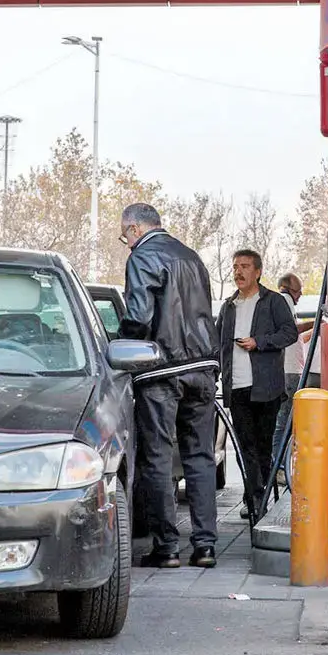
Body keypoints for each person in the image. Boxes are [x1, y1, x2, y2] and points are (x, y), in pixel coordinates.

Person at [119, 202, 221, 570]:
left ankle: (167, 548)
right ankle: (206, 546)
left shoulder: (142, 257)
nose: (126, 243)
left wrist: (122, 343)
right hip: (203, 368)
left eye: (124, 235)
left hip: (161, 370)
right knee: (200, 457)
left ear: (134, 229)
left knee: (157, 457)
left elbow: (138, 316)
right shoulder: (193, 258)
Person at [215, 250, 298, 521]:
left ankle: (259, 494)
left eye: (245, 267)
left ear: (258, 271)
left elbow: (289, 333)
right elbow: (217, 343)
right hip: (236, 388)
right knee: (243, 446)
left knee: (262, 446)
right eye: (236, 266)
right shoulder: (228, 306)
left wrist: (258, 342)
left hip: (266, 387)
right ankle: (255, 497)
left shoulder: (272, 301)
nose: (239, 272)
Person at [270, 272, 312, 483]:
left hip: (288, 369)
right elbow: (291, 331)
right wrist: (315, 322)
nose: (300, 295)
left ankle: (279, 465)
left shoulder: (285, 304)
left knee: (285, 421)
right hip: (289, 372)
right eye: (298, 290)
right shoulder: (284, 300)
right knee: (285, 422)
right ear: (286, 288)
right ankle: (278, 467)